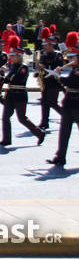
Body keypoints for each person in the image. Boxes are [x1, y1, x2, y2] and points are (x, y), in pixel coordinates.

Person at [0, 36, 45, 147]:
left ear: (19, 56)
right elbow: (7, 80)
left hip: (20, 95)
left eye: (13, 56)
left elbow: (17, 79)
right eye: (11, 56)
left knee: (22, 118)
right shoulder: (13, 66)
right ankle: (6, 139)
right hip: (11, 95)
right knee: (5, 117)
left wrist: (6, 76)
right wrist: (0, 78)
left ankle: (39, 133)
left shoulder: (23, 68)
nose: (11, 58)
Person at [47, 32, 79, 166]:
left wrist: (59, 77)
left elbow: (73, 82)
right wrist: (57, 77)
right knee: (64, 131)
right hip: (69, 102)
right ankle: (60, 157)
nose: (70, 60)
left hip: (78, 103)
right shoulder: (74, 69)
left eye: (73, 57)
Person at [36, 28, 64, 129]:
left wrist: (47, 68)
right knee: (44, 102)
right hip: (45, 81)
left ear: (51, 45)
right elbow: (41, 65)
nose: (44, 47)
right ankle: (44, 122)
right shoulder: (43, 55)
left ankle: (66, 116)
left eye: (46, 46)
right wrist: (39, 68)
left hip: (54, 82)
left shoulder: (57, 55)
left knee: (52, 102)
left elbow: (59, 67)